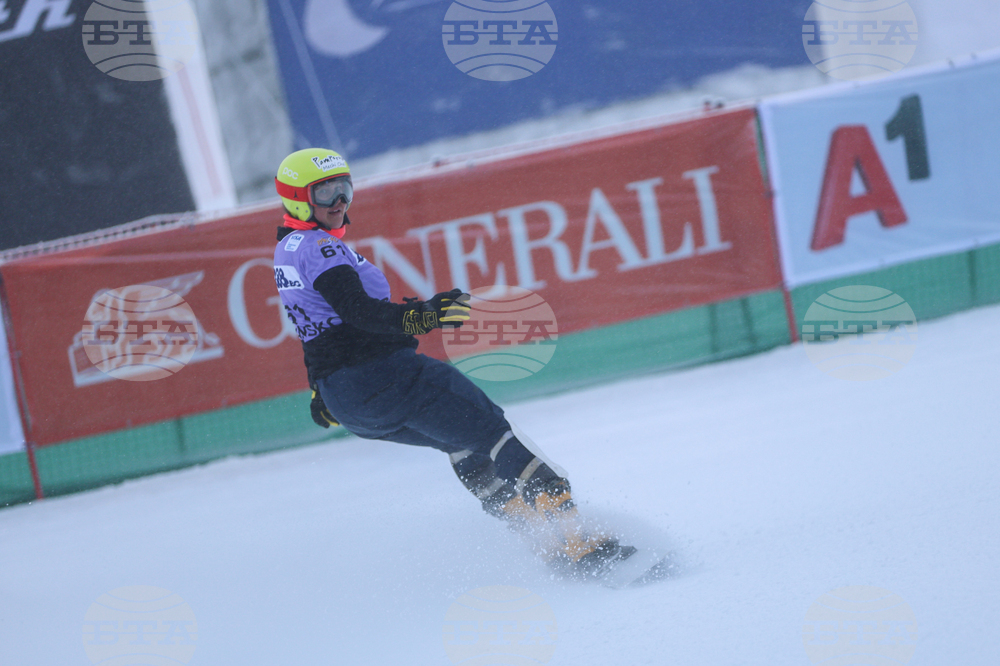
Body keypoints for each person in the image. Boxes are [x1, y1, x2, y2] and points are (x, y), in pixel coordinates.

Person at [272, 148, 630, 578]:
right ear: (296, 198)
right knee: (494, 432)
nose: (339, 202)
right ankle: (580, 540)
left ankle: (541, 539)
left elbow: (314, 322)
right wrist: (418, 315)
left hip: (350, 400)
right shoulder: (318, 248)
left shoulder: (287, 251)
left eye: (344, 188)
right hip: (386, 377)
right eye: (325, 192)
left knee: (461, 442)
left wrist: (319, 388)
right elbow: (356, 310)